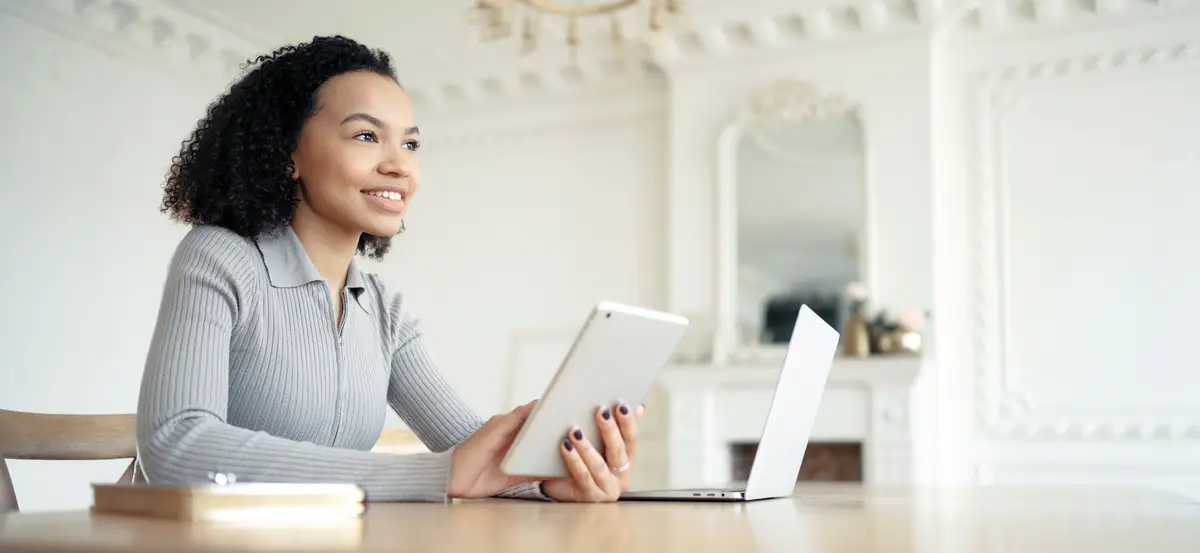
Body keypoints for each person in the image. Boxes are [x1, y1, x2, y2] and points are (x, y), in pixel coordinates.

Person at [135, 35, 643, 503]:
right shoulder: (219, 258)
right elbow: (176, 446)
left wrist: (556, 483)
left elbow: (475, 461)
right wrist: (432, 475)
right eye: (365, 136)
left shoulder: (381, 310)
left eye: (411, 144)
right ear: (288, 153)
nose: (399, 165)